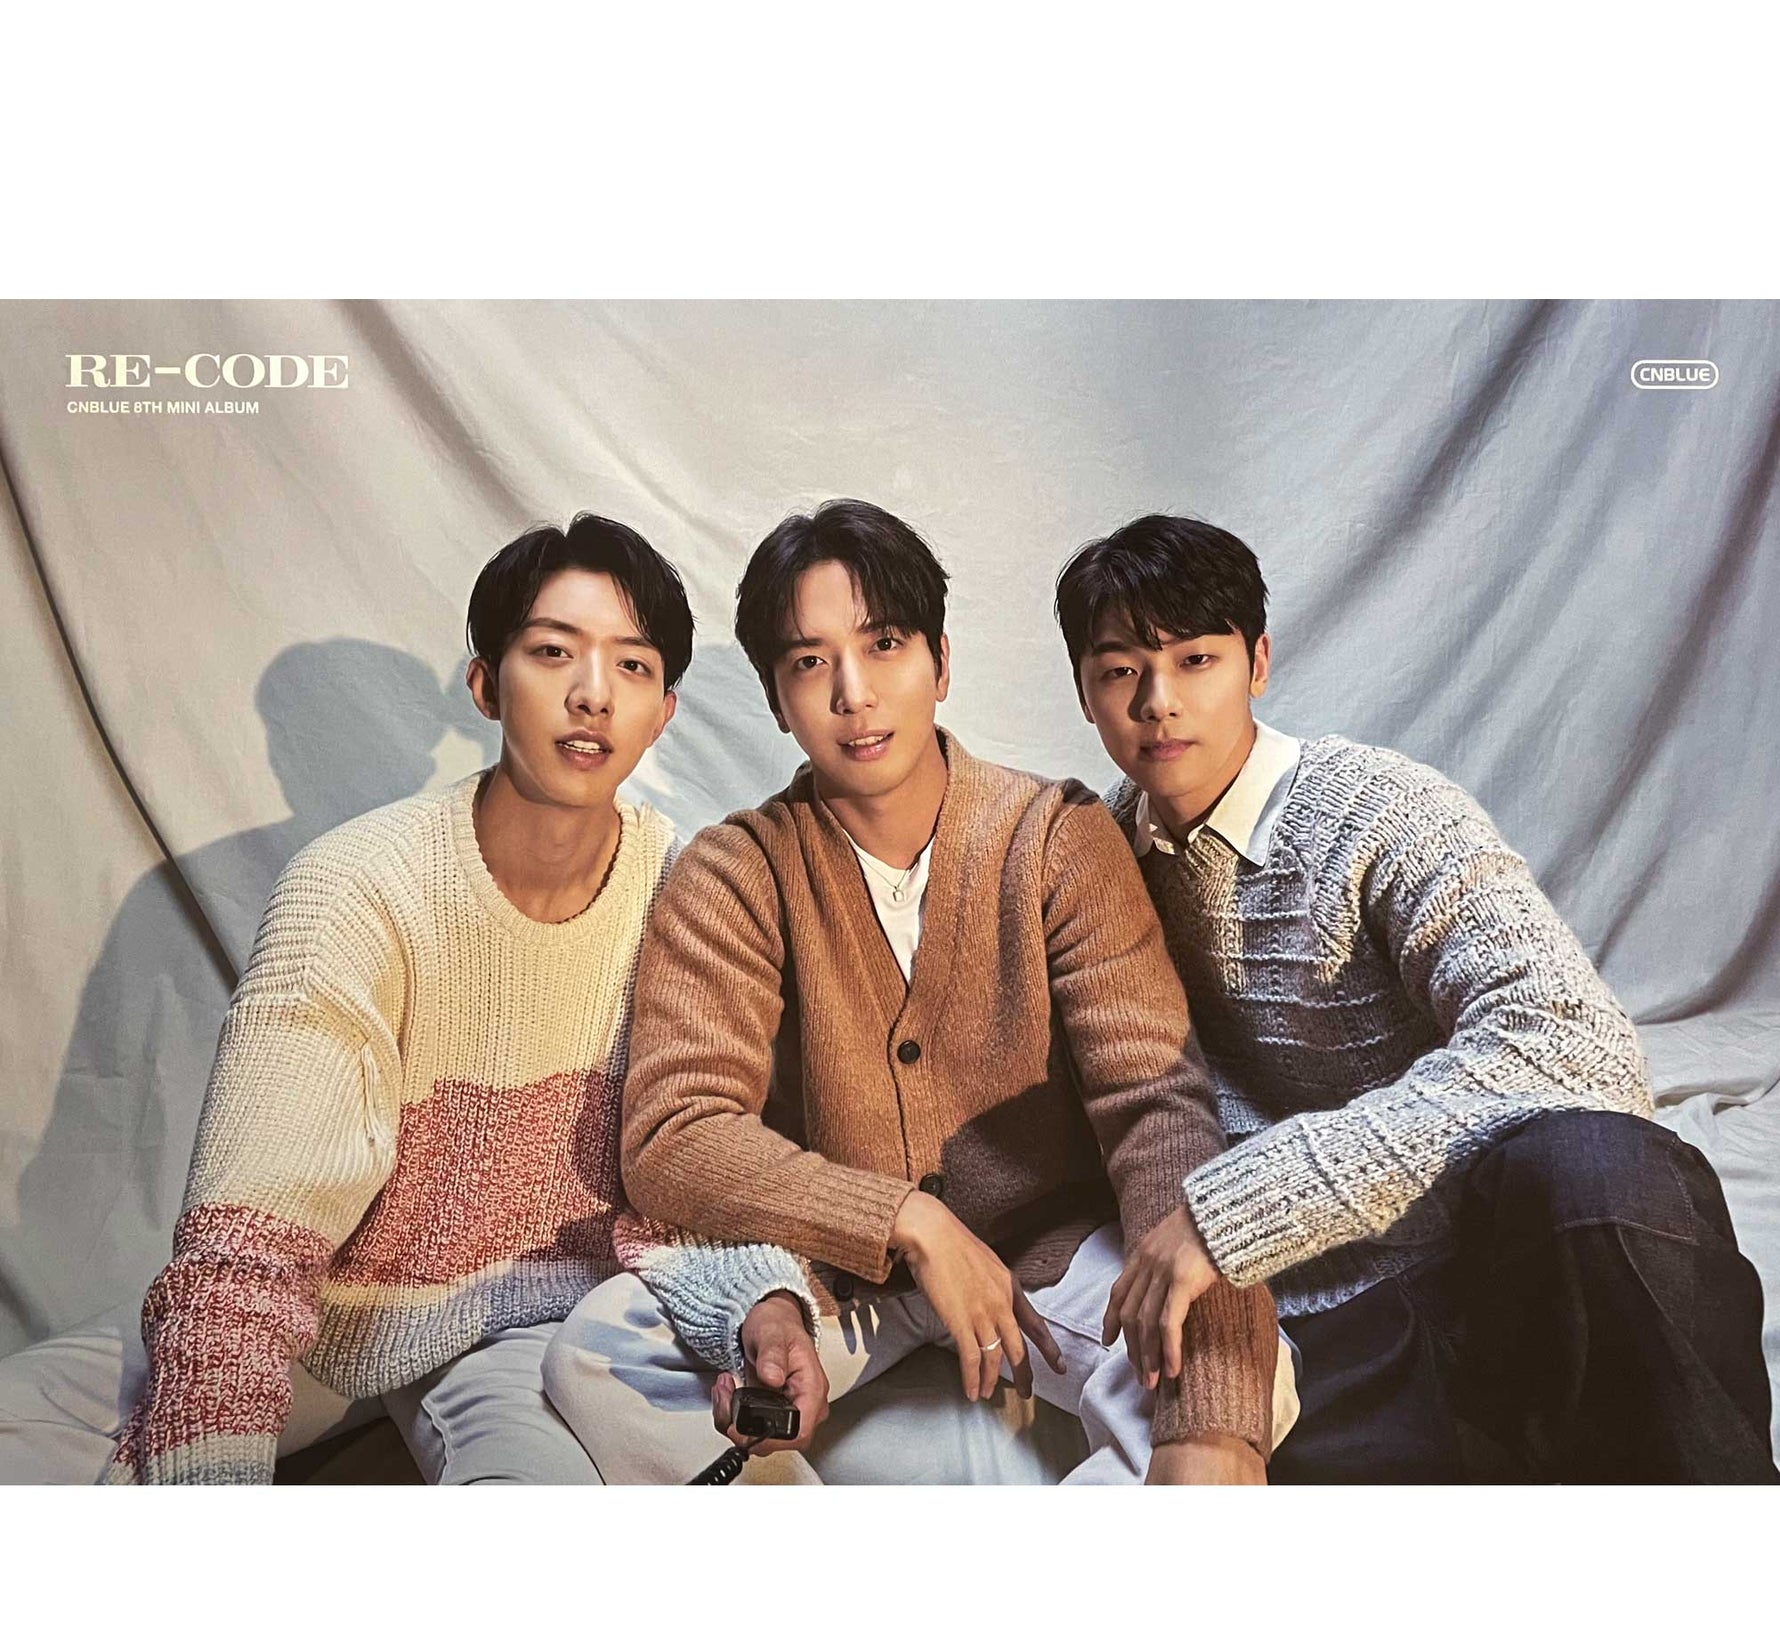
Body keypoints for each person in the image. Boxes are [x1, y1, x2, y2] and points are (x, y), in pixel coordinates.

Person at [542, 499, 1295, 1485]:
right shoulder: (734, 870)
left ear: (940, 663)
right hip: (834, 1271)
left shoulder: (1054, 836)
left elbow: (1153, 1102)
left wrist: (1205, 1418)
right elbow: (675, 1134)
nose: (853, 693)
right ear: (776, 699)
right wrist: (905, 1219)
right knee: (596, 1357)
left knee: (1245, 1379)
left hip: (1051, 1260)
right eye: (809, 661)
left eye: (884, 644)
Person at [68, 512, 819, 1483]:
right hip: (325, 1314)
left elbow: (694, 1179)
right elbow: (247, 1250)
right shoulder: (354, 889)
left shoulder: (687, 895)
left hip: (544, 1324)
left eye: (631, 666)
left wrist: (764, 1304)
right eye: (553, 652)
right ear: (485, 685)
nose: (593, 693)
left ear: (663, 711)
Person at [1054, 512, 1777, 1483]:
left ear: (1257, 663)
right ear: (1085, 692)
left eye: (1196, 660)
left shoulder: (1377, 809)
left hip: (1497, 1248)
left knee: (1604, 1165)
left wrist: (1239, 1206)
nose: (1159, 702)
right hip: (1328, 1320)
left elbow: (1573, 1043)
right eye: (1121, 671)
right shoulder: (1095, 860)